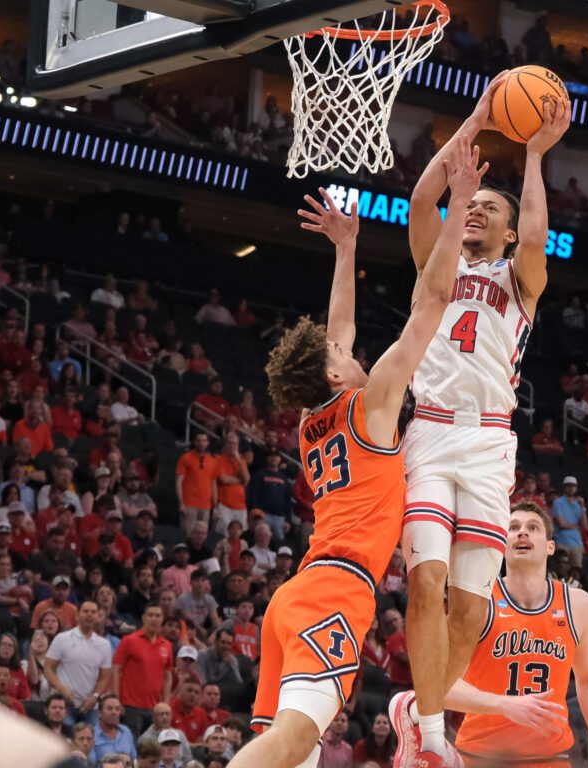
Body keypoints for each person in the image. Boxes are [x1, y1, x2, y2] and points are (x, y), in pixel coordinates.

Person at [231, 140, 485, 768]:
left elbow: (336, 328)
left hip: (297, 595)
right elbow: (431, 302)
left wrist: (346, 249)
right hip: (336, 591)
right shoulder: (370, 405)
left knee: (288, 750)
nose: (347, 348)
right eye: (339, 354)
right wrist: (454, 211)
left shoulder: (316, 417)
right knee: (292, 743)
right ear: (337, 375)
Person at [396, 72, 570, 766]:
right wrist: (478, 117)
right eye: (472, 207)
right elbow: (421, 199)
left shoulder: (521, 281)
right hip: (432, 430)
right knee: (424, 580)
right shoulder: (431, 262)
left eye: (488, 209)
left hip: (491, 442)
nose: (476, 215)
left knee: (470, 609)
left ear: (503, 224)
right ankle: (432, 738)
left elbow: (535, 236)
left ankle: (421, 710)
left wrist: (532, 153)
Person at [439, 502, 588, 766]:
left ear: (550, 546)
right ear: (501, 542)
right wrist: (505, 705)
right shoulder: (477, 600)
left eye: (533, 528)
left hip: (551, 756)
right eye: (513, 527)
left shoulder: (578, 604)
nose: (522, 533)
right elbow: (441, 687)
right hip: (480, 755)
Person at [44, 599, 113, 726]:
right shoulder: (62, 639)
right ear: (77, 615)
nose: (89, 614)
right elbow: (48, 668)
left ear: (98, 616)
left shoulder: (104, 645)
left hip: (90, 706)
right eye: (85, 611)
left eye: (93, 612)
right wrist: (62, 689)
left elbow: (105, 676)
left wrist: (95, 696)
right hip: (64, 704)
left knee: (89, 743)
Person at [113, 602, 173, 737]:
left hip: (155, 707)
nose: (154, 619)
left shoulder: (167, 645)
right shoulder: (129, 641)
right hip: (131, 705)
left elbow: (167, 675)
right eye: (150, 615)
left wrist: (166, 702)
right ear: (143, 618)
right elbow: (116, 670)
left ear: (162, 619)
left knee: (153, 747)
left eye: (157, 616)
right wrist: (117, 700)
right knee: (133, 746)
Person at [90, 694, 138, 764]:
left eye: (117, 709)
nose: (114, 712)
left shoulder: (126, 731)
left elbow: (134, 760)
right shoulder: (92, 734)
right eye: (109, 709)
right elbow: (91, 764)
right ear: (100, 713)